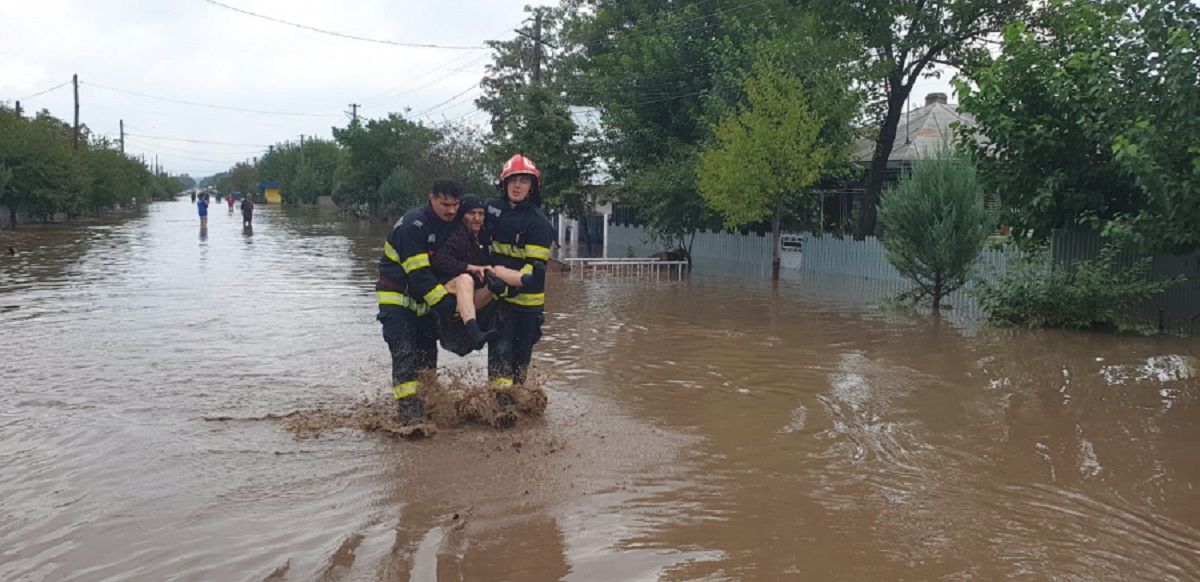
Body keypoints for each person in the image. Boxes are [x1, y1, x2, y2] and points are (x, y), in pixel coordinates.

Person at [376, 178, 464, 425]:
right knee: (405, 353)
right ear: (431, 198)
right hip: (397, 298)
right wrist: (448, 306)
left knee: (427, 356)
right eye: (445, 204)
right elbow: (420, 275)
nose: (451, 210)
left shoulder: (452, 224)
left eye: (455, 205)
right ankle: (409, 418)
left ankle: (428, 408)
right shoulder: (412, 227)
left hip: (424, 302)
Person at [484, 154, 555, 398]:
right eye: (513, 180)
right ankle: (500, 409)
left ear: (532, 187)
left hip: (528, 307)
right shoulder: (490, 210)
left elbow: (533, 271)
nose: (517, 186)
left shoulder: (539, 224)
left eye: (524, 181)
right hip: (499, 302)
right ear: (503, 184)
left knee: (518, 365)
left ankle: (516, 404)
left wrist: (506, 278)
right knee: (499, 356)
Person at [429, 195, 505, 354]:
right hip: (449, 292)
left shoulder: (484, 238)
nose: (477, 218)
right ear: (462, 215)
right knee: (466, 279)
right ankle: (474, 331)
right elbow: (439, 260)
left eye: (481, 214)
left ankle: (525, 281)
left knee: (497, 279)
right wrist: (469, 267)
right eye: (472, 213)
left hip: (472, 299)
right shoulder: (458, 235)